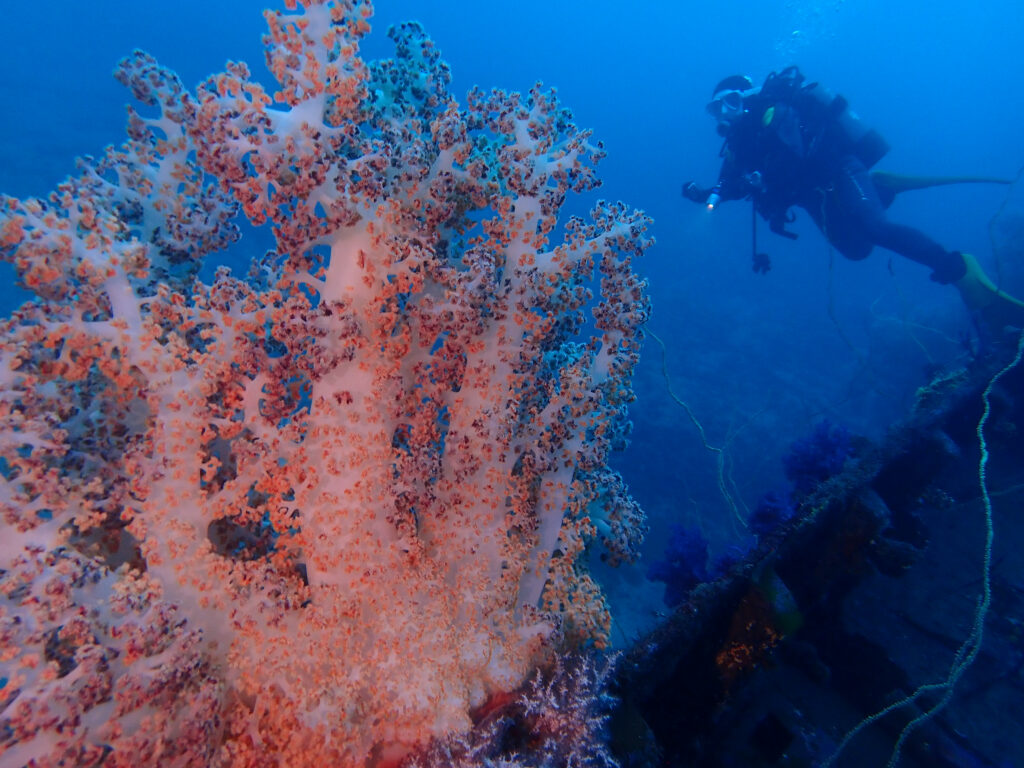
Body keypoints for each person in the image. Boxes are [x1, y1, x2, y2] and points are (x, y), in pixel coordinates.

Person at [682, 67, 1024, 328]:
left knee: (875, 227)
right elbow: (729, 184)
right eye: (716, 108)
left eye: (732, 102)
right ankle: (881, 190)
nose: (725, 112)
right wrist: (706, 196)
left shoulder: (774, 112)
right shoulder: (738, 144)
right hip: (812, 195)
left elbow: (793, 154)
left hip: (840, 171)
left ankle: (957, 267)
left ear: (751, 96)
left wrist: (760, 178)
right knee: (857, 251)